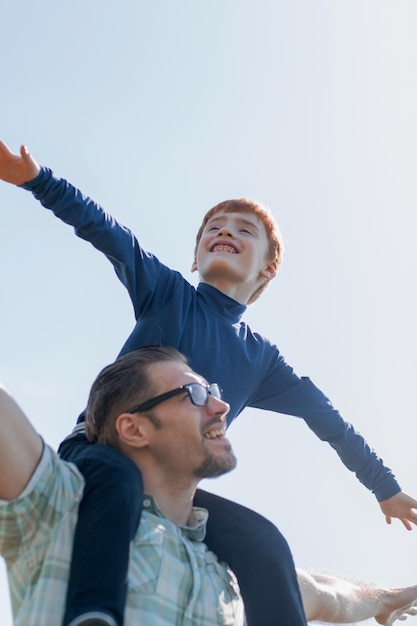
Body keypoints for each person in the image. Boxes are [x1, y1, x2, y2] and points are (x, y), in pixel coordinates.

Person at [1, 142, 417, 626]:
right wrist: (36, 178)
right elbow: (107, 231)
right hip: (101, 452)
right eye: (213, 228)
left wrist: (384, 488)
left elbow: (330, 423)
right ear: (196, 258)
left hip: (173, 484)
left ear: (268, 268)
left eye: (245, 230)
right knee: (118, 483)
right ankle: (93, 614)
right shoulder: (167, 293)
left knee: (265, 545)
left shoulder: (262, 360)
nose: (225, 231)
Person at [1, 346, 417, 626]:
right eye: (196, 393)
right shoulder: (60, 508)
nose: (222, 406)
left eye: (215, 391)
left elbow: (331, 594)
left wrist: (388, 597)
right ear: (135, 428)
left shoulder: (237, 577)